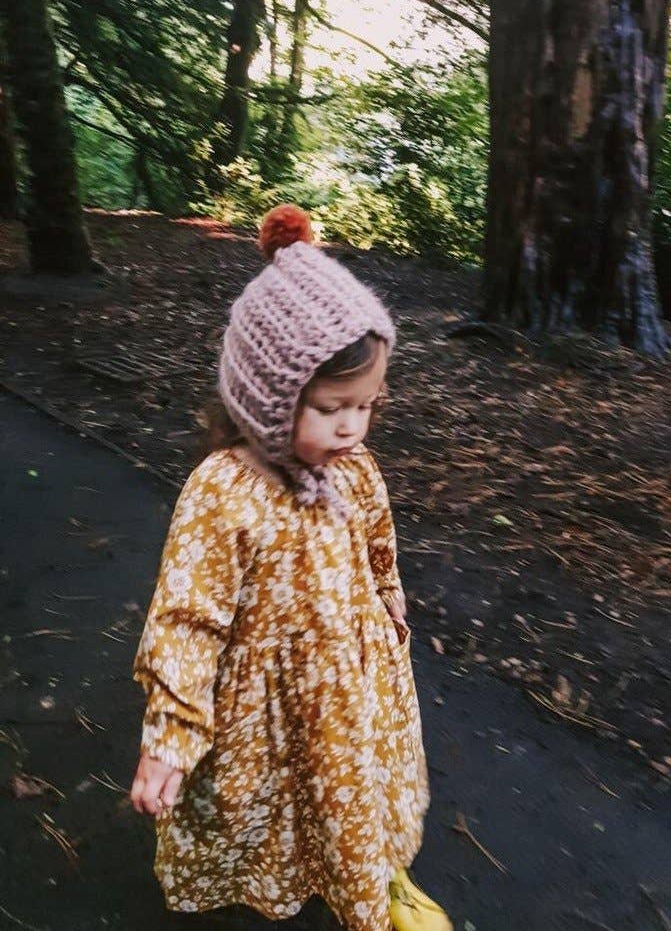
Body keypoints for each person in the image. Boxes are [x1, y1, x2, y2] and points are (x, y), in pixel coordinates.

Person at [130, 205, 452, 931]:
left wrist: (387, 592)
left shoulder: (355, 468)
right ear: (269, 398)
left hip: (351, 678)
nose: (353, 428)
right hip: (263, 702)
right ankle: (277, 876)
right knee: (274, 798)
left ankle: (368, 870)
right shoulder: (223, 492)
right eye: (333, 407)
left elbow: (376, 536)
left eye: (367, 406)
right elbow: (187, 618)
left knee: (347, 782)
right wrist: (172, 741)